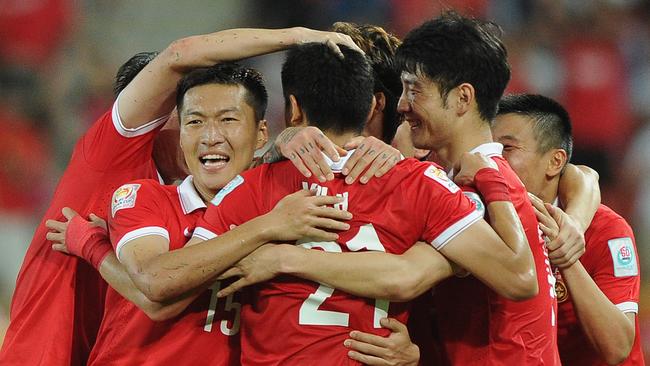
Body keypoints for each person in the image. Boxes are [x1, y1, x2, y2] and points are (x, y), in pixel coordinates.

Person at [0, 26, 365, 366]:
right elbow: (156, 290)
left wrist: (281, 142)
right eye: (193, 116)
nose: (208, 133)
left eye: (224, 119)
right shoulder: (113, 159)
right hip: (46, 351)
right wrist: (298, 35)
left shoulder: (231, 192)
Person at [193, 41, 537, 365]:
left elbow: (170, 281)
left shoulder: (253, 186)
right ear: (373, 104)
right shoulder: (422, 184)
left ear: (293, 108)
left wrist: (282, 255)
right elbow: (516, 278)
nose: (405, 105)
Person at [493, 94, 644, 366]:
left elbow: (618, 347)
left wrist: (566, 258)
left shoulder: (606, 230)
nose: (494, 160)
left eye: (507, 148)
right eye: (490, 149)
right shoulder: (489, 220)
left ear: (555, 161)